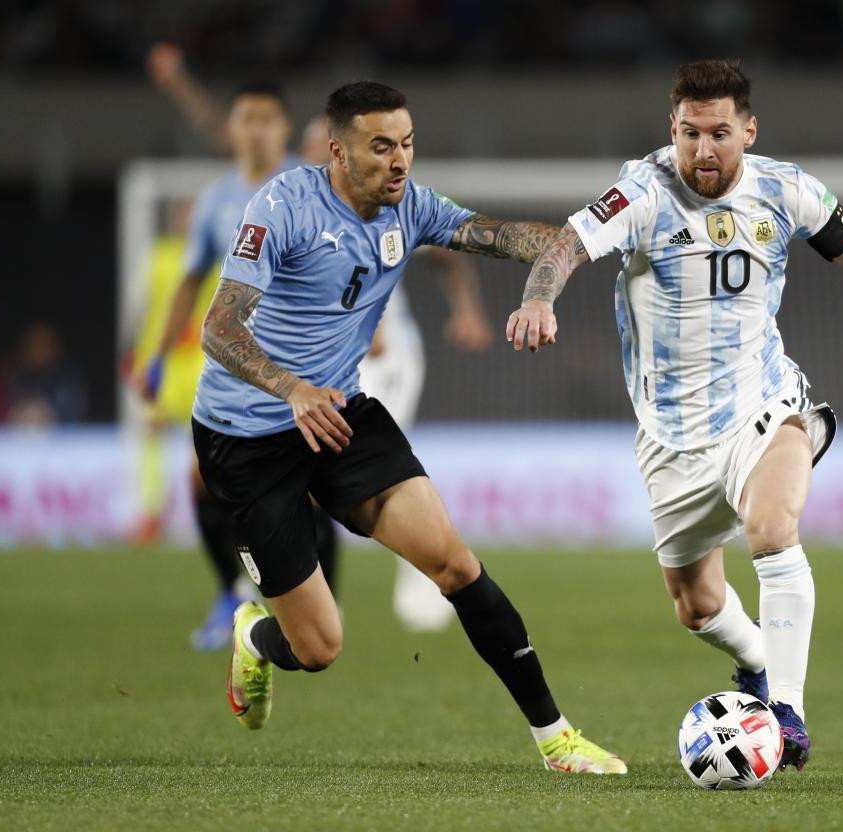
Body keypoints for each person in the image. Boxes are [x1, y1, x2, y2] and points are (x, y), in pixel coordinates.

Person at [505, 59, 843, 771]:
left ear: (749, 131)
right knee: (696, 607)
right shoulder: (643, 192)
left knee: (771, 527)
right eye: (690, 133)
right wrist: (541, 296)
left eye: (720, 133)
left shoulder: (786, 190)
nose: (703, 150)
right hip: (670, 438)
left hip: (764, 404)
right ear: (671, 128)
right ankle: (760, 659)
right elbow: (566, 246)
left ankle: (786, 713)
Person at [192, 81, 625, 774]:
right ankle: (257, 637)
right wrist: (292, 388)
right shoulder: (283, 207)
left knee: (455, 563)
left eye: (408, 145)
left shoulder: (411, 208)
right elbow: (218, 326)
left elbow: (505, 236)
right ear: (338, 151)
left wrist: (594, 242)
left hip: (339, 415)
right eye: (382, 147)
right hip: (246, 438)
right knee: (319, 648)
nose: (400, 162)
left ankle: (557, 739)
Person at [133, 78, 341, 650]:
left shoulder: (315, 187)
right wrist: (155, 356)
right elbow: (190, 278)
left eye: (266, 118)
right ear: (232, 129)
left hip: (306, 364)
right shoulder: (215, 201)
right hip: (237, 368)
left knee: (314, 488)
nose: (255, 129)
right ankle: (230, 589)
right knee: (199, 479)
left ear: (281, 127)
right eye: (244, 118)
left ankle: (321, 607)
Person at [300, 115, 492, 632]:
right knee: (319, 480)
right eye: (317, 147)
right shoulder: (295, 211)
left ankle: (426, 588)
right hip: (327, 366)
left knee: (381, 475)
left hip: (387, 359)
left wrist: (467, 309)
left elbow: (448, 253)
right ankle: (322, 604)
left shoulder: (388, 202)